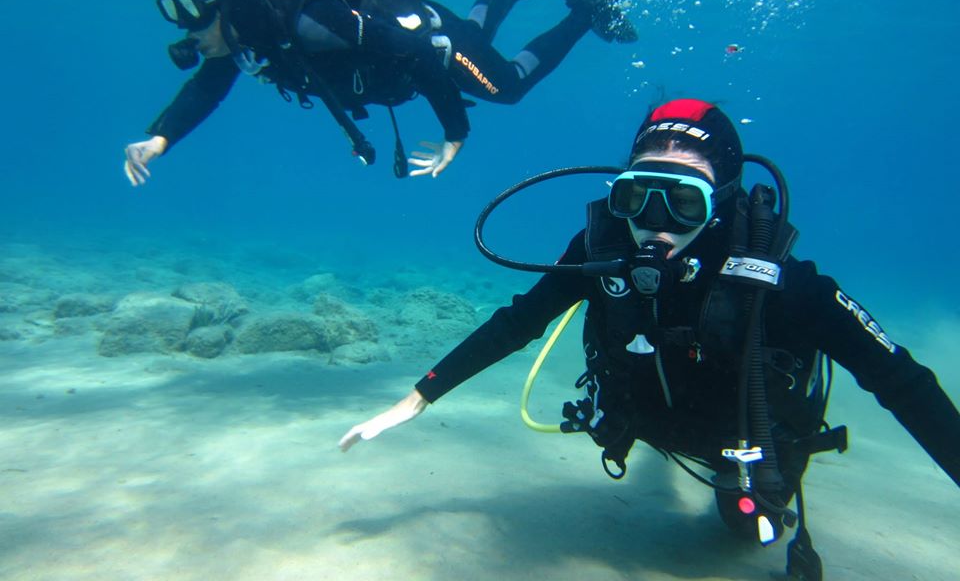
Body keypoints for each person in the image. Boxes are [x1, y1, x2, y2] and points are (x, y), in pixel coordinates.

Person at [339, 98, 960, 579]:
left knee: (743, 534)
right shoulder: (600, 249)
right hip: (645, 419)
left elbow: (901, 381)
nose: (652, 228)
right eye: (638, 197)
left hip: (741, 444)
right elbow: (519, 321)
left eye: (682, 204)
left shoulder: (784, 285)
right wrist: (417, 398)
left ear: (719, 203)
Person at [123, 0, 653, 185]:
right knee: (475, 34)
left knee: (505, 85)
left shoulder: (305, 19)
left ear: (229, 0)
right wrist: (161, 137)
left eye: (194, 16)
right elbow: (209, 83)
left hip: (424, 41)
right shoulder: (250, 32)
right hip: (418, 46)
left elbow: (416, 52)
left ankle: (584, 11)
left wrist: (455, 130)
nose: (190, 33)